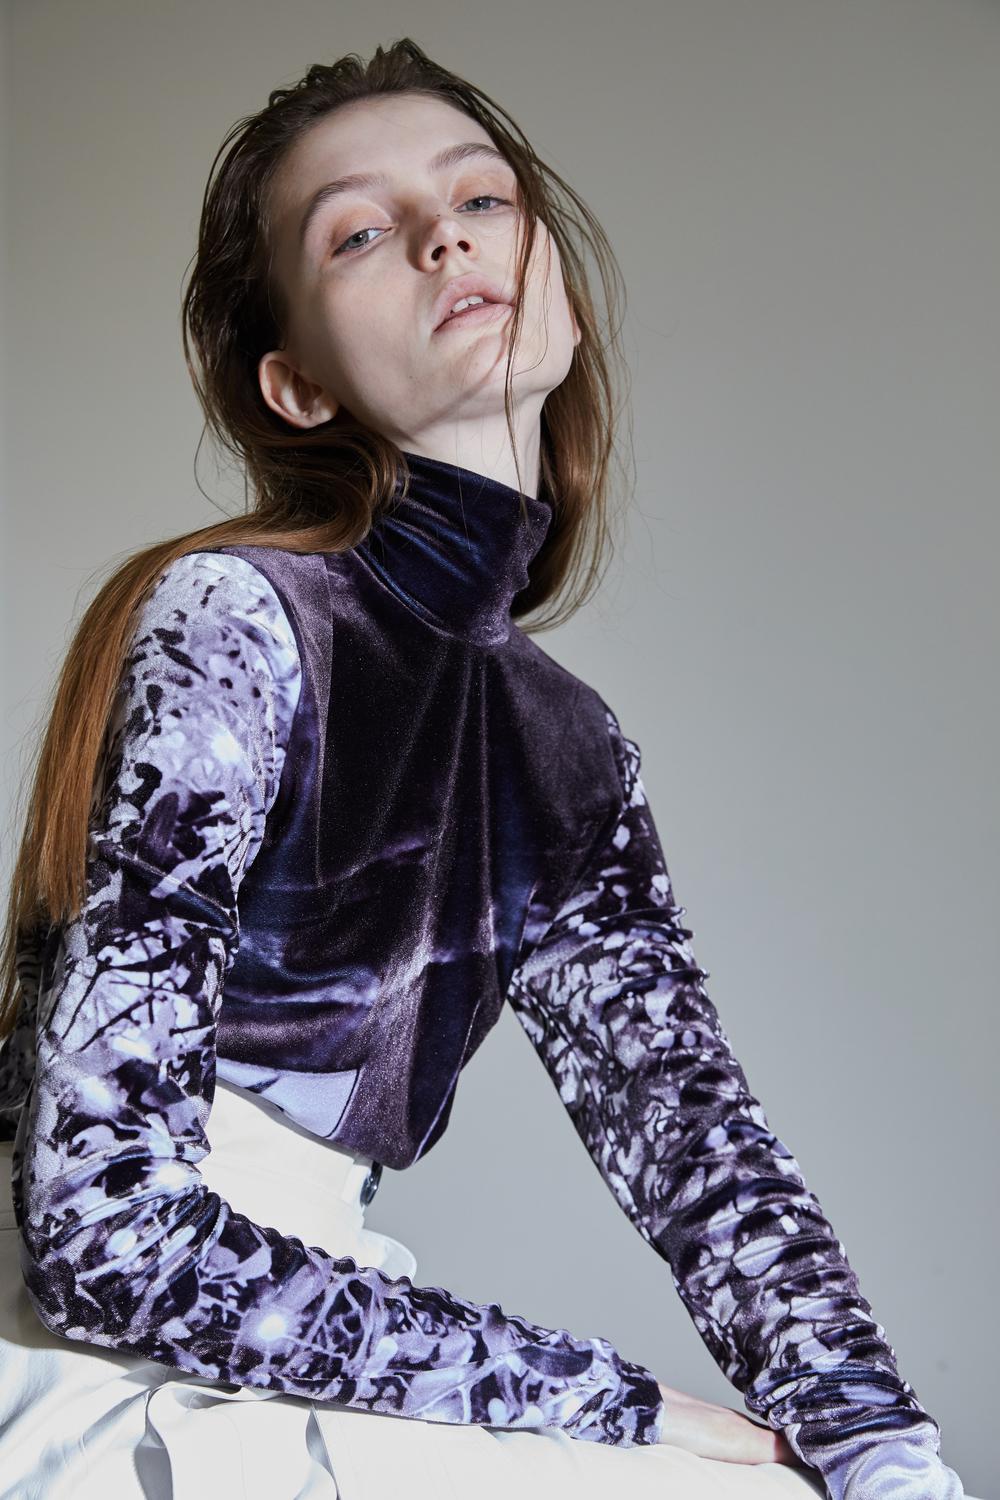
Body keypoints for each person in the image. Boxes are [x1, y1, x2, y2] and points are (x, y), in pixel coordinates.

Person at [0, 37, 976, 1500]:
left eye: (483, 200)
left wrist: (889, 1456)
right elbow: (107, 1241)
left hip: (317, 1331)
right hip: (109, 1370)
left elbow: (702, 1158)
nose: (443, 237)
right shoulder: (233, 617)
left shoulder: (568, 749)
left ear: (555, 281)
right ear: (297, 386)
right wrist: (624, 1405)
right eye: (358, 233)